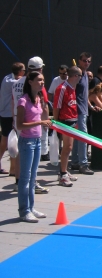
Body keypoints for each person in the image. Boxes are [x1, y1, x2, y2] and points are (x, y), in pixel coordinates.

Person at [16, 71, 52, 222]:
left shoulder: (39, 99)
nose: (42, 82)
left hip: (37, 140)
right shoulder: (23, 101)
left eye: (43, 80)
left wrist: (46, 115)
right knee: (25, 177)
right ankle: (24, 210)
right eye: (39, 80)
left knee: (33, 177)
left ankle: (31, 207)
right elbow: (20, 125)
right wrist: (40, 123)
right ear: (30, 82)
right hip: (27, 142)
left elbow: (44, 118)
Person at [12, 56, 50, 194]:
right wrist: (44, 123)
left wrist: (13, 120)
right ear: (40, 68)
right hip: (30, 124)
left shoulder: (16, 82)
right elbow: (44, 105)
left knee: (18, 154)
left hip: (18, 119)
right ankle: (29, 184)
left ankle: (18, 181)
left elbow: (12, 101)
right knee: (29, 167)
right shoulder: (37, 83)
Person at [53, 66, 82, 187]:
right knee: (67, 147)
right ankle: (63, 174)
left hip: (73, 120)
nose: (81, 78)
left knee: (69, 147)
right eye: (80, 76)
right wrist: (56, 122)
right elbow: (56, 106)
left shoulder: (72, 88)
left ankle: (64, 170)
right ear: (75, 76)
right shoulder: (62, 88)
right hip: (65, 121)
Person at [71, 52, 94, 175]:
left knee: (77, 137)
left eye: (88, 61)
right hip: (78, 110)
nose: (86, 63)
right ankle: (83, 164)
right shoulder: (78, 74)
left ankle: (75, 161)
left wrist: (89, 106)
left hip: (83, 109)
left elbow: (85, 95)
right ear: (79, 61)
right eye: (84, 60)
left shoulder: (85, 75)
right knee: (82, 137)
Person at [0, 62, 26, 175]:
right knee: (9, 140)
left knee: (8, 140)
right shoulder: (13, 82)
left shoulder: (7, 77)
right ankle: (13, 169)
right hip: (8, 114)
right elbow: (20, 84)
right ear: (20, 71)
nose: (25, 72)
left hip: (6, 113)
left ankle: (13, 168)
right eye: (24, 70)